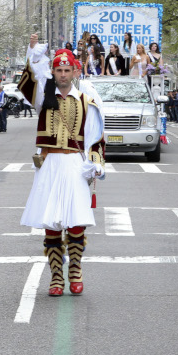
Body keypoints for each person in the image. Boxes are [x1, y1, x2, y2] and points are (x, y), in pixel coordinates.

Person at [19, 33, 106, 296]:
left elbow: (95, 135)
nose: (63, 74)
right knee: (51, 223)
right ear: (53, 71)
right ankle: (56, 276)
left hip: (74, 164)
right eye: (59, 70)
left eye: (68, 70)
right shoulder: (43, 96)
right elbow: (28, 82)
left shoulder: (85, 98)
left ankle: (75, 270)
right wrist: (34, 51)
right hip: (49, 163)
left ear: (75, 71)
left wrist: (94, 162)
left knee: (76, 221)